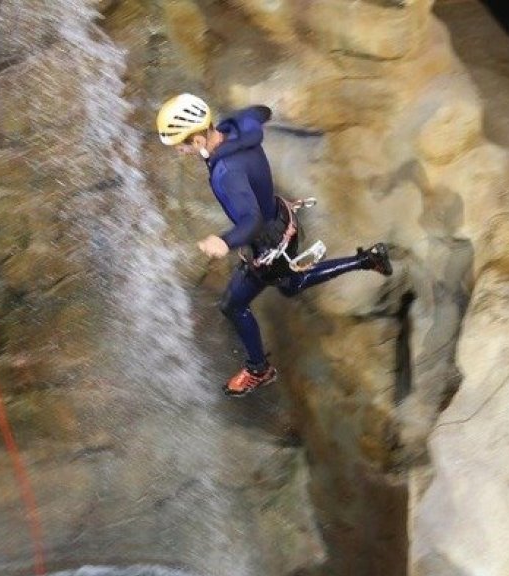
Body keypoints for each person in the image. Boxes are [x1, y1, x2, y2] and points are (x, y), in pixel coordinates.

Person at [156, 93, 393, 396]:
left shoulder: (225, 173)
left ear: (199, 141)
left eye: (181, 145)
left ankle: (259, 370)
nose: (179, 151)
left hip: (270, 243)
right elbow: (260, 111)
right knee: (282, 285)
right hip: (281, 217)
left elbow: (250, 220)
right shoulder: (238, 125)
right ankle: (367, 260)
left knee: (242, 301)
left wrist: (224, 241)